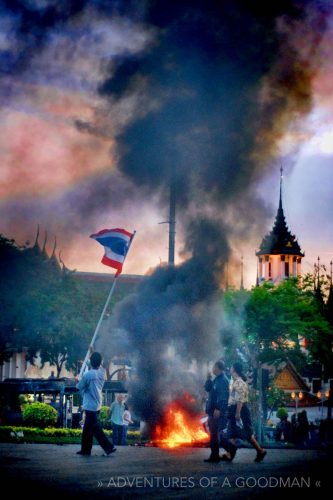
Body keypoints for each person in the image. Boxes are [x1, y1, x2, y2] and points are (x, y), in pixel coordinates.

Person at [221, 361, 267, 463]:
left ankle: (260, 450)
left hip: (240, 410)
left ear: (234, 369)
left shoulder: (240, 382)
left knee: (247, 433)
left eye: (231, 367)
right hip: (233, 409)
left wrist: (238, 413)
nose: (230, 368)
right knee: (231, 433)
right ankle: (230, 454)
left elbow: (240, 399)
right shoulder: (235, 381)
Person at [76, 351, 116, 456]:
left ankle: (108, 447)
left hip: (89, 405)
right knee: (87, 429)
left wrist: (77, 380)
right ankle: (85, 449)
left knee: (95, 428)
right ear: (99, 362)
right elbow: (100, 363)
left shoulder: (87, 375)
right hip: (97, 404)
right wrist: (92, 352)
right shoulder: (102, 373)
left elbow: (79, 387)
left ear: (90, 362)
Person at [204, 360, 230, 463]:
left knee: (216, 435)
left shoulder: (223, 380)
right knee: (214, 434)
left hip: (217, 412)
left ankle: (218, 454)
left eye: (213, 366)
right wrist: (208, 378)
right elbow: (208, 389)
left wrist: (219, 409)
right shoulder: (216, 379)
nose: (212, 368)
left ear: (217, 368)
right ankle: (216, 455)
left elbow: (223, 397)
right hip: (212, 411)